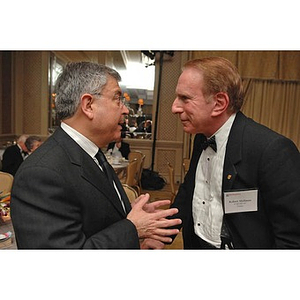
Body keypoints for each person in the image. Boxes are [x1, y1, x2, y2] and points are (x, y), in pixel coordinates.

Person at [10, 61, 181, 249]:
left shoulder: (92, 152)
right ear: (88, 105)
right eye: (117, 98)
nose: (125, 109)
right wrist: (132, 228)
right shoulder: (41, 174)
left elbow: (95, 221)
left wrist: (131, 222)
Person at [169, 57, 300, 249]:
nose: (174, 107)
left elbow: (292, 237)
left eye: (185, 98)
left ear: (219, 103)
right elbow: (190, 191)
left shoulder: (272, 150)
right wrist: (162, 232)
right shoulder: (202, 138)